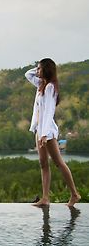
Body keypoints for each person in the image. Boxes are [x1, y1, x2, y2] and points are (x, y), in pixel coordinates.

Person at [25, 58, 81, 207]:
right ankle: (45, 198)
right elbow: (27, 75)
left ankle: (74, 194)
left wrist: (44, 134)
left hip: (47, 131)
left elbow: (49, 111)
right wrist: (38, 69)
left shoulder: (50, 87)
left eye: (39, 69)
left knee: (58, 163)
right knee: (43, 164)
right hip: (39, 130)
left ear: (46, 70)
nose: (36, 71)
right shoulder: (41, 85)